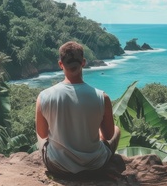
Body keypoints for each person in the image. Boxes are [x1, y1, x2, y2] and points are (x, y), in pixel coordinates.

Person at [35, 41, 120, 176]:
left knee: (42, 135)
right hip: (95, 164)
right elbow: (108, 136)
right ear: (83, 62)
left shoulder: (44, 96)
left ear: (60, 64)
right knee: (116, 130)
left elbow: (43, 134)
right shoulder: (102, 97)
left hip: (58, 166)